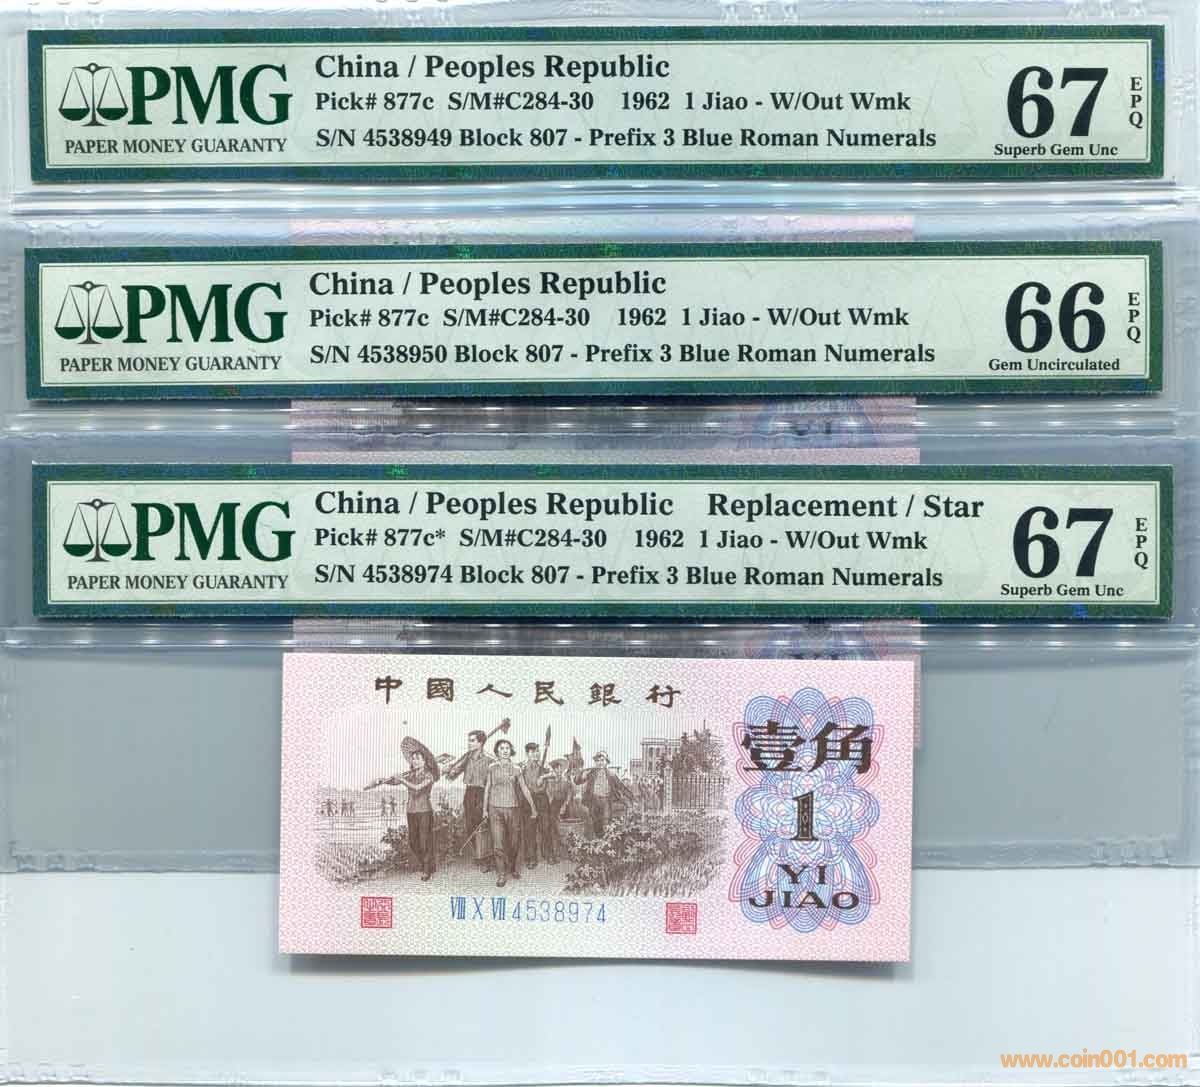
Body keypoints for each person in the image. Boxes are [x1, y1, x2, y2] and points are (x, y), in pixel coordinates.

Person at [366, 750, 437, 881]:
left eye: (418, 758)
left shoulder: (429, 776)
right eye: (413, 759)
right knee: (413, 842)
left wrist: (402, 779)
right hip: (411, 811)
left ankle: (427, 869)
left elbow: (417, 788)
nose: (414, 761)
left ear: (424, 761)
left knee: (424, 841)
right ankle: (427, 864)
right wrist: (382, 781)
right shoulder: (410, 775)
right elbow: (394, 782)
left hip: (424, 811)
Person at [483, 739, 536, 887]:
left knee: (514, 842)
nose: (505, 750)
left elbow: (524, 788)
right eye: (501, 748)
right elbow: (487, 788)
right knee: (498, 842)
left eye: (507, 748)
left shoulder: (517, 769)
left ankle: (512, 866)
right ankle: (501, 874)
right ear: (497, 751)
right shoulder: (492, 768)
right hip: (495, 809)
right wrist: (484, 810)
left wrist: (533, 808)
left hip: (513, 809)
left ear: (511, 750)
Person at [445, 729, 494, 871]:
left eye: (472, 741)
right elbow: (452, 775)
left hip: (483, 794)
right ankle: (479, 854)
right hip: (469, 793)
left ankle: (486, 859)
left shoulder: (490, 760)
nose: (469, 743)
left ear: (481, 742)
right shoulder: (467, 757)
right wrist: (449, 770)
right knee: (470, 826)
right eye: (469, 740)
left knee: (482, 827)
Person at [574, 751, 636, 837]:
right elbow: (577, 781)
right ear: (595, 762)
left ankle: (606, 839)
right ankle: (598, 839)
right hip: (593, 800)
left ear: (606, 762)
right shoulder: (590, 773)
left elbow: (621, 787)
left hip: (606, 800)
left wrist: (632, 798)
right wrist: (581, 774)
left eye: (602, 760)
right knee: (595, 821)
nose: (600, 762)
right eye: (598, 760)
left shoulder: (611, 774)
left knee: (606, 821)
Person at [521, 742, 551, 867]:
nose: (536, 754)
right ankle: (531, 857)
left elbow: (553, 776)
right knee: (529, 830)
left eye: (537, 751)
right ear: (527, 754)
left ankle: (547, 854)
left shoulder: (544, 767)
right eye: (533, 752)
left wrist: (543, 778)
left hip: (542, 799)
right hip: (528, 800)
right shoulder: (522, 768)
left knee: (546, 827)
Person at [541, 758, 574, 862]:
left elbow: (569, 795)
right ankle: (551, 854)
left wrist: (564, 806)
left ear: (563, 769)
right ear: (554, 770)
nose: (558, 771)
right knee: (551, 829)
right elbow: (548, 794)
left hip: (564, 807)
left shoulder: (567, 781)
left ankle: (564, 853)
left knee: (562, 830)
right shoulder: (549, 781)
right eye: (556, 769)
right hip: (552, 807)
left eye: (560, 768)